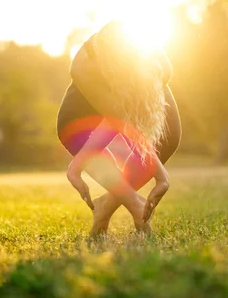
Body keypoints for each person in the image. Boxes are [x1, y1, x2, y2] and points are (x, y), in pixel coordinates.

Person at [56, 21, 181, 234]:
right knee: (74, 133)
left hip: (142, 91)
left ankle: (106, 204)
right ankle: (133, 204)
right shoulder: (83, 66)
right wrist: (77, 164)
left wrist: (161, 175)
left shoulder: (159, 65)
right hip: (86, 107)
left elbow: (138, 118)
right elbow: (119, 120)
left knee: (168, 137)